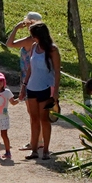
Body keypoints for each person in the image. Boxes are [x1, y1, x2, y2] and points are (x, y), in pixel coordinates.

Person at [21, 22, 62, 160]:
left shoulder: (52, 50)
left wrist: (55, 91)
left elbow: (57, 71)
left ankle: (46, 150)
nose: (32, 38)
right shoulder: (34, 47)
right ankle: (34, 150)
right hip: (32, 88)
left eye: (33, 35)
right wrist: (24, 85)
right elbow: (30, 68)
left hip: (46, 89)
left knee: (44, 119)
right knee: (34, 119)